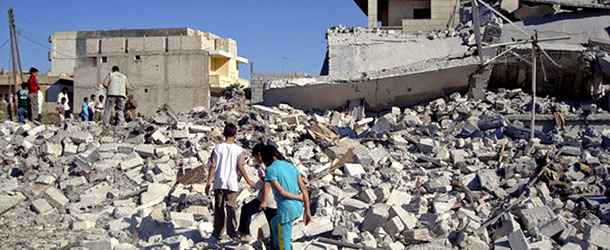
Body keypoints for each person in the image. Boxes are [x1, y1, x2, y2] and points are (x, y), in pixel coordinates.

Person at [205, 123, 256, 241]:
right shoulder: (238, 150)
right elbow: (241, 167)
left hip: (219, 182)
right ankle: (232, 232)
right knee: (231, 207)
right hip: (231, 183)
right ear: (235, 135)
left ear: (224, 134)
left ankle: (218, 231)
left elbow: (213, 166)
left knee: (219, 207)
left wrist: (208, 182)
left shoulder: (217, 148)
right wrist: (248, 180)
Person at [262, 145, 311, 250]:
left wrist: (298, 197)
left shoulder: (270, 170)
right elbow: (304, 190)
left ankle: (282, 245)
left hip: (286, 210)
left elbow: (281, 192)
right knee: (273, 223)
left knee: (285, 245)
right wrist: (307, 211)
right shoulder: (291, 166)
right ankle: (279, 244)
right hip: (297, 208)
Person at [238, 143, 277, 243]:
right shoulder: (274, 163)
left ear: (259, 154)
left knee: (246, 210)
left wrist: (263, 199)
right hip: (273, 200)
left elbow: (266, 182)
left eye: (255, 157)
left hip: (266, 199)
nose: (255, 159)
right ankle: (274, 244)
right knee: (272, 223)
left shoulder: (263, 167)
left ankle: (245, 234)